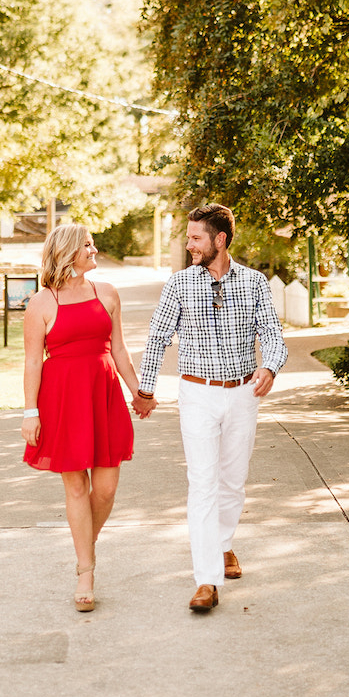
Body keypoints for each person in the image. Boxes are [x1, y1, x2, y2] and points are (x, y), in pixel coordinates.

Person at [131, 203, 287, 613]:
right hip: (197, 394)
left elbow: (272, 333)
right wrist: (145, 390)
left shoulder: (254, 283)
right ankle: (206, 580)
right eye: (189, 237)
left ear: (220, 239)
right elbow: (158, 337)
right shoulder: (179, 285)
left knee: (232, 480)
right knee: (203, 483)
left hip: (242, 394)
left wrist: (270, 366)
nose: (189, 245)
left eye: (196, 238)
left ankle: (224, 545)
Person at [21, 223, 143, 612]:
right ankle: (85, 571)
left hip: (104, 394)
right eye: (87, 245)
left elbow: (119, 349)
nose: (94, 250)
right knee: (76, 488)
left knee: (105, 490)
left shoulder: (106, 293)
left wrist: (139, 391)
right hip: (62, 400)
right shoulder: (41, 303)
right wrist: (30, 412)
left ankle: (83, 541)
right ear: (68, 252)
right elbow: (31, 363)